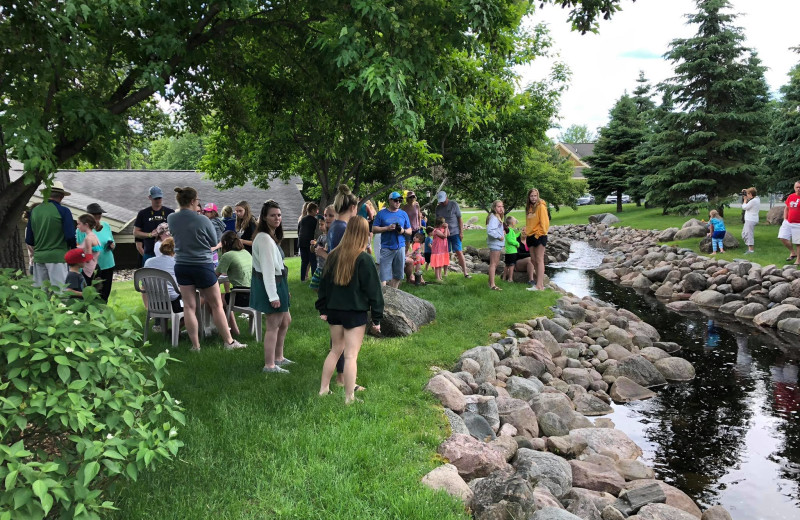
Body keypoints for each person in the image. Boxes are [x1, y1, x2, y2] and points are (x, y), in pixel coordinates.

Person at [167, 187, 247, 351]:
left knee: (189, 307)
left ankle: (195, 346)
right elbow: (213, 241)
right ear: (192, 201)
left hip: (181, 265)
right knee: (216, 304)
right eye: (197, 201)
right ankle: (229, 342)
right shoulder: (203, 220)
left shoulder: (171, 218)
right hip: (202, 265)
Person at [316, 216, 383, 404]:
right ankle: (349, 398)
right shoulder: (364, 259)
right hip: (354, 314)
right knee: (351, 355)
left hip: (334, 312)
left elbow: (323, 287)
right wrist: (377, 318)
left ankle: (323, 389)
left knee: (335, 350)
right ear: (364, 233)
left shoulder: (333, 256)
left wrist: (323, 308)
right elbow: (374, 292)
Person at [250, 200, 293, 372]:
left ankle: (279, 357)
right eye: (273, 215)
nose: (277, 218)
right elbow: (268, 269)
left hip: (279, 283)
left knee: (285, 320)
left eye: (279, 215)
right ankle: (269, 365)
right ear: (264, 218)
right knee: (273, 324)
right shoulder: (265, 239)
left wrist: (284, 290)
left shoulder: (270, 236)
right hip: (271, 284)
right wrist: (273, 296)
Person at [26, 181, 76, 288]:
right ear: (62, 196)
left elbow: (29, 240)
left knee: (41, 294)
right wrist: (73, 249)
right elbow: (70, 236)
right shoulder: (64, 211)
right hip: (58, 258)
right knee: (60, 292)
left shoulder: (34, 211)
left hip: (39, 258)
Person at [216, 231, 253, 337]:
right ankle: (234, 330)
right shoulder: (245, 252)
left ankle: (224, 331)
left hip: (242, 296)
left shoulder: (228, 255)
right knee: (225, 299)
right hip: (254, 295)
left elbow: (215, 276)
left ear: (225, 243)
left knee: (216, 300)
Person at [372, 191, 412, 288]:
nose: (398, 202)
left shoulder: (403, 214)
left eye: (400, 200)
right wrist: (387, 228)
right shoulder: (381, 214)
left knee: (398, 274)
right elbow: (374, 229)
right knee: (383, 276)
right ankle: (383, 297)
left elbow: (410, 230)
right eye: (395, 200)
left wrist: (403, 231)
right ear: (389, 200)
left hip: (400, 247)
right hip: (386, 247)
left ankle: (393, 295)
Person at [143, 238, 183, 321]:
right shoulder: (176, 262)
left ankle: (167, 329)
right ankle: (175, 329)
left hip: (154, 303)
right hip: (174, 304)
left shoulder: (148, 262)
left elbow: (144, 285)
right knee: (195, 303)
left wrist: (146, 305)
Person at [134, 186, 174, 265]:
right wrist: (150, 235)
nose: (158, 200)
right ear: (150, 197)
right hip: (150, 252)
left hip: (168, 252)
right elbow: (136, 232)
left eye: (159, 198)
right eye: (155, 198)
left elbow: (177, 231)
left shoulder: (170, 212)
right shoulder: (143, 213)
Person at [434, 191, 471, 278]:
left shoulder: (454, 204)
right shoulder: (438, 208)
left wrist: (461, 232)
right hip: (443, 235)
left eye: (443, 200)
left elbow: (460, 219)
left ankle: (465, 272)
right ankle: (445, 273)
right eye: (440, 201)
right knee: (445, 253)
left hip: (455, 232)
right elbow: (436, 222)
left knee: (459, 251)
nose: (442, 202)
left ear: (446, 197)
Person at [84, 203, 116, 302]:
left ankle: (103, 313)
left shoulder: (105, 225)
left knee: (105, 293)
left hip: (108, 263)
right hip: (92, 266)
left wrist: (112, 245)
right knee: (93, 293)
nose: (98, 218)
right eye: (95, 216)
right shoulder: (82, 229)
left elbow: (112, 241)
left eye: (99, 215)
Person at [525, 188, 549, 291]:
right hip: (530, 236)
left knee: (539, 260)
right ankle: (539, 284)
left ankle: (539, 285)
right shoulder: (529, 207)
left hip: (539, 236)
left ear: (537, 196)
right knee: (533, 260)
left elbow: (544, 223)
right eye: (531, 196)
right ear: (529, 197)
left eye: (535, 196)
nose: (533, 198)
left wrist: (538, 235)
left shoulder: (541, 206)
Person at [310, 209, 332, 291]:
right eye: (319, 224)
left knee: (323, 288)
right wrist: (313, 245)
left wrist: (323, 250)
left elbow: (327, 250)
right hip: (319, 266)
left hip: (325, 267)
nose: (320, 226)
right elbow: (313, 250)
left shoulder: (330, 237)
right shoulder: (321, 237)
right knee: (315, 287)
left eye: (322, 224)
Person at [76, 214, 102, 285]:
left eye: (79, 224)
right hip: (96, 267)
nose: (77, 226)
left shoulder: (88, 238)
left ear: (86, 225)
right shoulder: (94, 236)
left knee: (86, 293)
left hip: (89, 270)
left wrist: (77, 255)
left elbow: (88, 258)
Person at [486, 200, 505, 291]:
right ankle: (492, 285)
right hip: (495, 243)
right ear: (494, 208)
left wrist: (502, 232)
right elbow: (490, 231)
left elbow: (496, 229)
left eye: (502, 206)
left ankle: (490, 282)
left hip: (497, 244)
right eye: (498, 206)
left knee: (495, 263)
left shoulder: (497, 217)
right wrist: (499, 237)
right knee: (493, 264)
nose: (501, 208)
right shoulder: (494, 218)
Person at [298, 202, 319, 281]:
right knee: (313, 261)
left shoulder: (302, 220)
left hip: (301, 242)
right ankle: (314, 279)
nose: (316, 212)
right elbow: (316, 232)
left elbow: (299, 231)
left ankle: (302, 279)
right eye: (316, 210)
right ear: (313, 210)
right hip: (310, 243)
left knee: (304, 261)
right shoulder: (314, 221)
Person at [784, 180, 800, 266]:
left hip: (798, 223)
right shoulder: (791, 196)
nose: (798, 189)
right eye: (797, 187)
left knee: (798, 242)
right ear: (794, 188)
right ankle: (793, 252)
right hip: (788, 222)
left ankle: (798, 260)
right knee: (782, 237)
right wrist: (785, 219)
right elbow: (786, 208)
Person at [741, 187, 760, 254]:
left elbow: (744, 207)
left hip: (751, 219)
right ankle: (749, 247)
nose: (747, 195)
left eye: (748, 194)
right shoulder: (757, 199)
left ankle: (751, 250)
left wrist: (745, 201)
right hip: (749, 219)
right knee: (744, 234)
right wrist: (746, 190)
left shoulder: (753, 201)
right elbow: (753, 193)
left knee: (749, 234)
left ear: (751, 194)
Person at [430, 217, 450, 281]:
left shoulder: (443, 229)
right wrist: (446, 228)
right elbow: (444, 236)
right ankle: (437, 278)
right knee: (437, 264)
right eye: (443, 222)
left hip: (442, 249)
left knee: (440, 264)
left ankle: (440, 276)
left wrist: (447, 228)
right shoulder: (436, 230)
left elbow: (448, 234)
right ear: (441, 223)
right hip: (437, 249)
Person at [503, 216, 520, 282]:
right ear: (512, 223)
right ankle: (510, 279)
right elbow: (510, 240)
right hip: (512, 251)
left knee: (507, 265)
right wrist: (517, 244)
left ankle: (504, 278)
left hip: (508, 251)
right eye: (515, 222)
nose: (515, 223)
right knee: (512, 265)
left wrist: (520, 233)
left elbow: (514, 236)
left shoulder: (509, 230)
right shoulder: (509, 230)